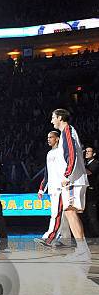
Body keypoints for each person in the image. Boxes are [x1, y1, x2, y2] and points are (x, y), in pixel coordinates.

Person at [51, 108, 89, 261]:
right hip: (73, 180)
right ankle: (82, 249)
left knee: (70, 212)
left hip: (73, 180)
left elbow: (71, 154)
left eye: (53, 117)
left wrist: (67, 175)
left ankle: (82, 250)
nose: (51, 120)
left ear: (60, 117)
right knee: (70, 212)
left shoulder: (67, 130)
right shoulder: (67, 132)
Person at [34, 130, 71, 248]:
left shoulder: (62, 151)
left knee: (56, 214)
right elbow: (47, 173)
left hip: (61, 188)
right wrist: (41, 189)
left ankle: (48, 238)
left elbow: (69, 166)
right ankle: (66, 241)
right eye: (48, 137)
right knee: (63, 216)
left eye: (51, 137)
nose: (48, 139)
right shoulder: (49, 153)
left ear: (58, 139)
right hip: (52, 188)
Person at [83, 146, 99, 238]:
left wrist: (80, 165)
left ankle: (96, 234)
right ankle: (89, 234)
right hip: (85, 192)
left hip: (92, 193)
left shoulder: (96, 163)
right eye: (86, 151)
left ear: (94, 154)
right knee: (86, 215)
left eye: (89, 151)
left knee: (92, 215)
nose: (87, 153)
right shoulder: (85, 164)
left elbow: (90, 173)